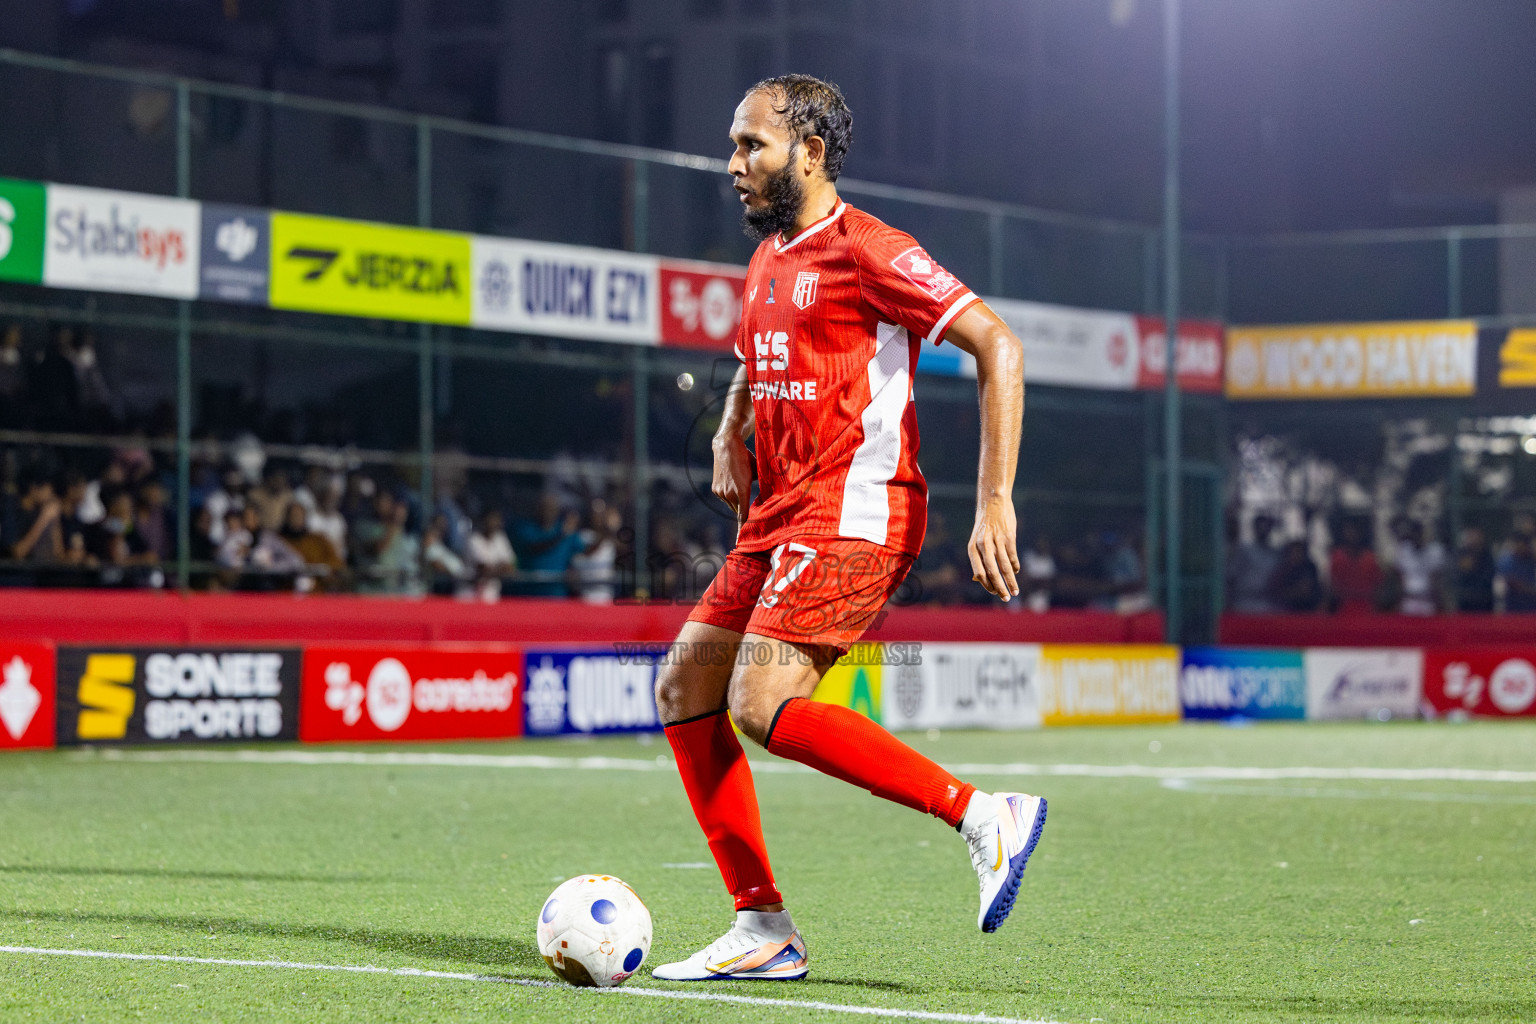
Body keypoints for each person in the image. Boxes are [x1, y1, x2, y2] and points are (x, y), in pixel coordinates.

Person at [649, 76, 1044, 984]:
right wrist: (728, 427)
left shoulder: (872, 249)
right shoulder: (767, 256)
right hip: (781, 518)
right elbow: (756, 356)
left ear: (811, 153)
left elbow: (998, 345)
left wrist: (995, 500)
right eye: (732, 145)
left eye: (753, 145)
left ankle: (985, 815)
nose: (734, 164)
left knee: (758, 702)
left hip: (857, 513)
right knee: (684, 691)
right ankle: (763, 927)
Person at [510, 494, 585, 597]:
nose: (548, 511)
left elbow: (582, 555)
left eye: (552, 508)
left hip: (556, 595)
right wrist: (561, 536)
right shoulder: (525, 528)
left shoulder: (568, 532)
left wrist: (573, 570)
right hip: (528, 596)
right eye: (545, 507)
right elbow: (534, 548)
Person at [1390, 516, 1445, 616]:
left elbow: (1436, 579)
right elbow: (1400, 577)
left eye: (1417, 534)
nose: (1414, 537)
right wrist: (1398, 601)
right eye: (1412, 534)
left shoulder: (1435, 551)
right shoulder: (1404, 549)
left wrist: (1439, 602)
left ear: (1421, 534)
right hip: (1409, 600)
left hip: (1428, 601)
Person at [1227, 512, 1280, 613]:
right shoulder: (1244, 550)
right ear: (1255, 528)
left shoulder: (1275, 554)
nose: (1263, 530)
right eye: (1260, 527)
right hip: (1244, 603)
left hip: (1269, 604)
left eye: (1266, 527)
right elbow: (1231, 577)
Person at [1328, 517, 1381, 614]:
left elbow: (1376, 585)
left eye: (1355, 531)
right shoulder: (1337, 557)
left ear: (1360, 533)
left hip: (1367, 608)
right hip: (1343, 608)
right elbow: (1334, 586)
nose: (1352, 535)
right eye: (1348, 531)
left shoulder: (1370, 558)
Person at [466, 509, 516, 601]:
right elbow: (484, 570)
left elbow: (511, 568)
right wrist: (501, 567)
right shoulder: (473, 540)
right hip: (470, 596)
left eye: (496, 520)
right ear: (483, 521)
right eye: (491, 520)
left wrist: (494, 570)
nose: (494, 523)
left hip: (492, 595)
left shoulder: (501, 539)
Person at [1267, 539, 1323, 612]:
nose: (1297, 555)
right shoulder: (1282, 570)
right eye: (1294, 552)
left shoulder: (1310, 567)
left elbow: (1312, 590)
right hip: (1285, 611)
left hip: (1309, 610)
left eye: (1300, 552)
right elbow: (1275, 593)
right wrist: (1295, 592)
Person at [1454, 526, 1495, 613]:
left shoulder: (1487, 555)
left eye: (1477, 536)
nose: (1474, 539)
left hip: (1484, 601)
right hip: (1465, 601)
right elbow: (1458, 575)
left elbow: (1489, 576)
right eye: (1471, 536)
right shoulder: (1460, 554)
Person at [1497, 526, 1536, 612]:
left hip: (1531, 605)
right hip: (1512, 604)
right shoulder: (1506, 560)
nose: (1520, 547)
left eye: (1523, 544)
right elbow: (1508, 581)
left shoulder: (1532, 560)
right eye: (1517, 544)